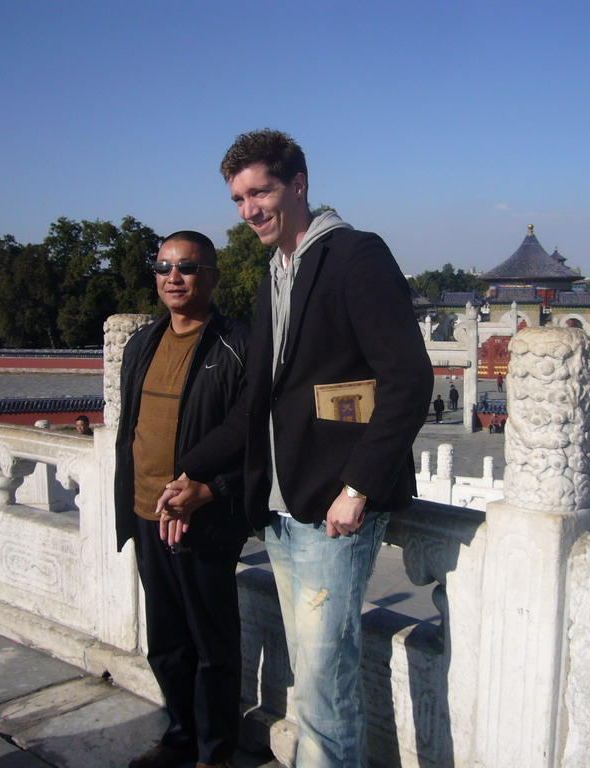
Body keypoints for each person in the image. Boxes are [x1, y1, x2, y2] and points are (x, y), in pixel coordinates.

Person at [174, 129, 432, 767]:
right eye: (237, 198)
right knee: (312, 680)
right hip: (283, 513)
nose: (248, 210)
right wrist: (191, 469)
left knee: (322, 686)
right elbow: (256, 400)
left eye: (259, 191)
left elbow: (408, 379)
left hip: (334, 511)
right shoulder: (273, 275)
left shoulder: (354, 257)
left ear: (298, 184)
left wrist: (359, 487)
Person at [114, 231, 250, 768]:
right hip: (149, 512)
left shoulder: (238, 344)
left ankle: (215, 752)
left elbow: (256, 435)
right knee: (166, 644)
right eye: (164, 267)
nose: (174, 277)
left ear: (212, 277)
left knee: (211, 647)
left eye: (188, 267)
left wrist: (210, 490)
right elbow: (133, 429)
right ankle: (180, 736)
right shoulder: (142, 343)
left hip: (204, 515)